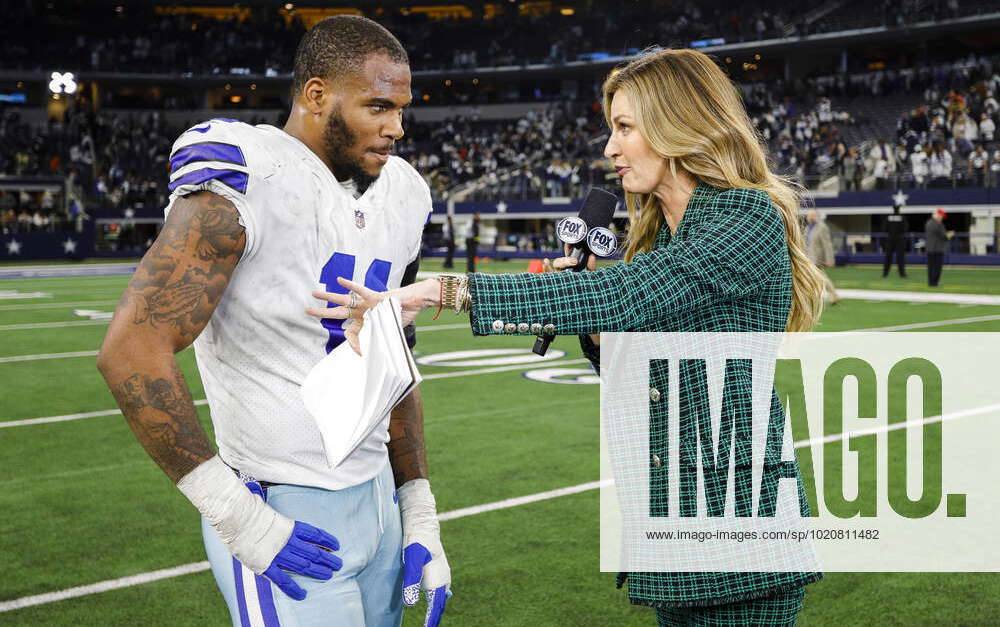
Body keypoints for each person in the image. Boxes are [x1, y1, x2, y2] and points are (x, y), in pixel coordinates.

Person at [315, 48, 826, 626]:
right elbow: (642, 360)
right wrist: (595, 328)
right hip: (679, 533)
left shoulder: (743, 216)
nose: (610, 148)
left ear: (678, 125)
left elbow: (622, 295)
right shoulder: (662, 238)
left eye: (625, 127)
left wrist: (439, 292)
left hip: (737, 539)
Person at [97, 16, 450, 627]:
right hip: (281, 506)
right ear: (316, 96)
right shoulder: (246, 174)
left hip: (378, 506)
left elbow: (396, 357)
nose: (396, 128)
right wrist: (238, 517)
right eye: (377, 107)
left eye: (401, 109)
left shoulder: (406, 193)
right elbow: (131, 350)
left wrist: (418, 507)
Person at [805, 209, 839, 303]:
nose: (810, 217)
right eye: (809, 215)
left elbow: (827, 244)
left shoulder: (822, 227)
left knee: (822, 278)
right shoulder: (808, 228)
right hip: (808, 257)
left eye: (812, 215)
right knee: (814, 278)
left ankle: (833, 295)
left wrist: (830, 259)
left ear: (816, 216)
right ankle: (812, 296)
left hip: (817, 258)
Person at [925, 208, 951, 287]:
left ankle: (931, 283)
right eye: (941, 216)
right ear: (938, 215)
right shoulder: (938, 224)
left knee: (931, 267)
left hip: (930, 248)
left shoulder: (928, 223)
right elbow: (944, 236)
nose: (942, 218)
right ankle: (935, 283)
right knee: (937, 267)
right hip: (937, 248)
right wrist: (950, 235)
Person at [883, 203, 907, 277]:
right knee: (900, 257)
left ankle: (885, 274)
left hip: (890, 239)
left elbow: (885, 229)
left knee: (888, 257)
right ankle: (902, 274)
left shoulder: (888, 217)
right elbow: (905, 229)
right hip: (899, 239)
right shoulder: (902, 217)